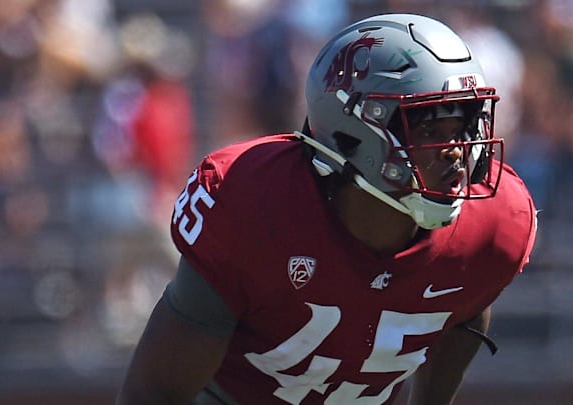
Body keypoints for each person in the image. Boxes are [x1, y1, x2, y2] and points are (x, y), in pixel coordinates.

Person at [116, 13, 537, 405]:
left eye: (464, 126)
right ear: (354, 131)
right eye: (428, 127)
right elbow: (153, 393)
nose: (456, 152)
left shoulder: (495, 222)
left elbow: (467, 299)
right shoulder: (253, 203)